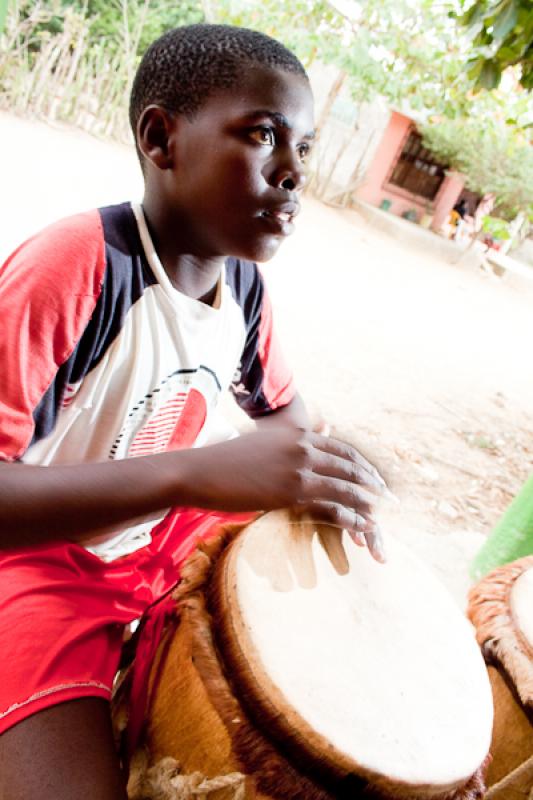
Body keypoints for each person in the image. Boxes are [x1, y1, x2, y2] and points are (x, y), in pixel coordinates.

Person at [0, 24, 388, 799]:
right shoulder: (77, 268)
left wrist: (325, 472)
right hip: (37, 559)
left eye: (303, 148)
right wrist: (194, 472)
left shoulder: (242, 288)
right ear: (160, 138)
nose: (291, 173)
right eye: (262, 135)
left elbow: (285, 418)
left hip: (154, 540)